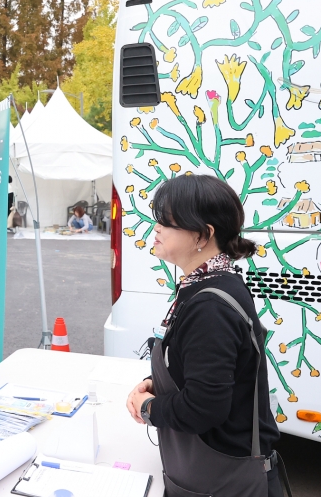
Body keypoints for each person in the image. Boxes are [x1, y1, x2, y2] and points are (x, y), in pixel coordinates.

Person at [125, 175, 285, 497]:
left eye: (165, 222)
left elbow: (205, 408)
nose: (155, 228)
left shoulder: (210, 305)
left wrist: (149, 409)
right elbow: (211, 370)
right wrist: (163, 383)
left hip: (222, 479)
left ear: (203, 234)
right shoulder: (209, 283)